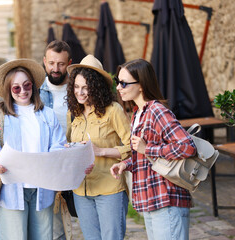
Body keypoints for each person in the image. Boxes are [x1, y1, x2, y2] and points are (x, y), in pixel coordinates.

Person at [110, 59, 197, 240]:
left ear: (141, 85)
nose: (118, 87)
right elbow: (144, 155)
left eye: (124, 83)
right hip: (151, 200)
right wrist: (126, 164)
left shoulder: (157, 111)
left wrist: (147, 148)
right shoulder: (138, 113)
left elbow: (187, 147)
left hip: (166, 199)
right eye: (118, 82)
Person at [0, 58, 67, 240]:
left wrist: (50, 158)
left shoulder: (47, 114)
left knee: (43, 236)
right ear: (9, 90)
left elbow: (58, 144)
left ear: (33, 86)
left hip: (42, 188)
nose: (23, 92)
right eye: (16, 88)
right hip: (11, 188)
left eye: (27, 86)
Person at [66, 54, 132, 240]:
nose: (80, 92)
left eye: (86, 87)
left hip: (109, 189)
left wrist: (100, 151)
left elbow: (133, 148)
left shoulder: (114, 111)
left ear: (96, 87)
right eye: (77, 87)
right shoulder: (73, 113)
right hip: (81, 190)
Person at [41, 40, 72, 240]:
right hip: (49, 165)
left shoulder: (79, 90)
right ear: (44, 62)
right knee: (54, 227)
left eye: (61, 64)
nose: (55, 68)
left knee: (86, 218)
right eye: (51, 63)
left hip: (76, 161)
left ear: (69, 63)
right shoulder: (35, 92)